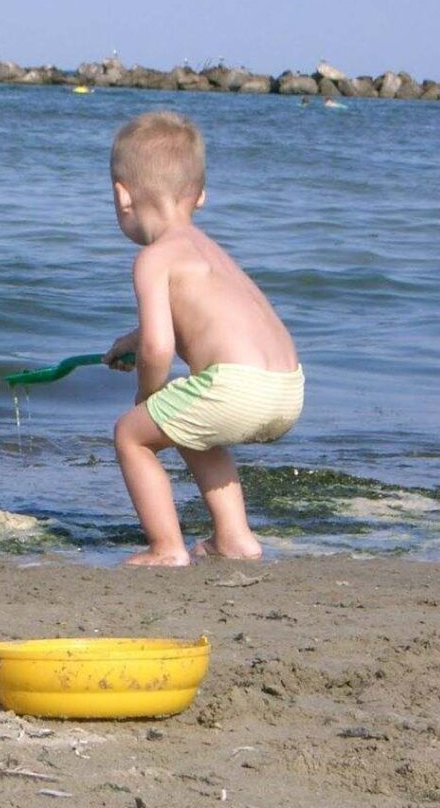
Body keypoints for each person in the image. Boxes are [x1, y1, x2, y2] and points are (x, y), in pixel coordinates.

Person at [103, 111, 304, 566]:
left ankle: (166, 547)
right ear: (201, 195)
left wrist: (145, 400)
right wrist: (130, 342)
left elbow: (160, 347)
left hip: (237, 389)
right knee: (191, 416)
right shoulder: (211, 251)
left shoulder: (154, 259)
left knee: (130, 436)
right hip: (287, 385)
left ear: (122, 197)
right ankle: (235, 538)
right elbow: (187, 326)